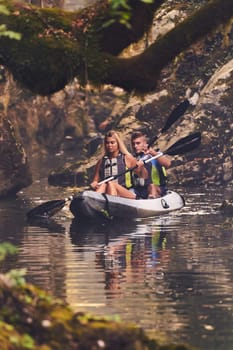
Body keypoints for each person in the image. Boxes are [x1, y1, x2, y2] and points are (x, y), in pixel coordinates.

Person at [90, 130, 148, 199]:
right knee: (104, 185)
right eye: (107, 143)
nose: (109, 145)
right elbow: (95, 180)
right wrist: (94, 184)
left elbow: (144, 176)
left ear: (118, 143)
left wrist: (141, 167)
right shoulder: (101, 161)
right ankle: (93, 200)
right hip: (107, 192)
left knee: (111, 183)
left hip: (127, 193)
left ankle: (109, 203)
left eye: (112, 143)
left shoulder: (127, 158)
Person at [131, 131, 171, 198]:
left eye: (138, 143)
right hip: (138, 189)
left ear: (145, 143)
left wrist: (153, 153)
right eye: (133, 144)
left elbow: (168, 164)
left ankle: (152, 198)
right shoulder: (131, 158)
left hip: (157, 188)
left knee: (151, 186)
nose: (135, 146)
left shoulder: (155, 155)